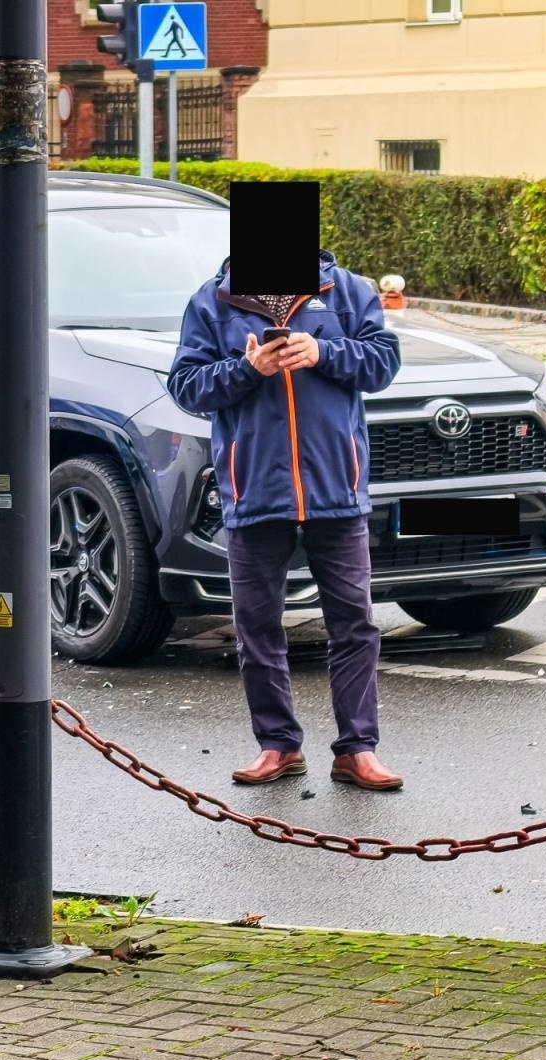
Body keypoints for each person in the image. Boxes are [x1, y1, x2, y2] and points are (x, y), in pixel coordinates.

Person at [168, 250, 403, 791]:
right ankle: (278, 746)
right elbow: (186, 387)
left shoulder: (347, 292)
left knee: (354, 623)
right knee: (258, 627)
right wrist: (248, 369)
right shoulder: (212, 300)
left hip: (335, 489)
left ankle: (358, 750)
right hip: (253, 489)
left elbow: (382, 364)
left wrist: (323, 351)